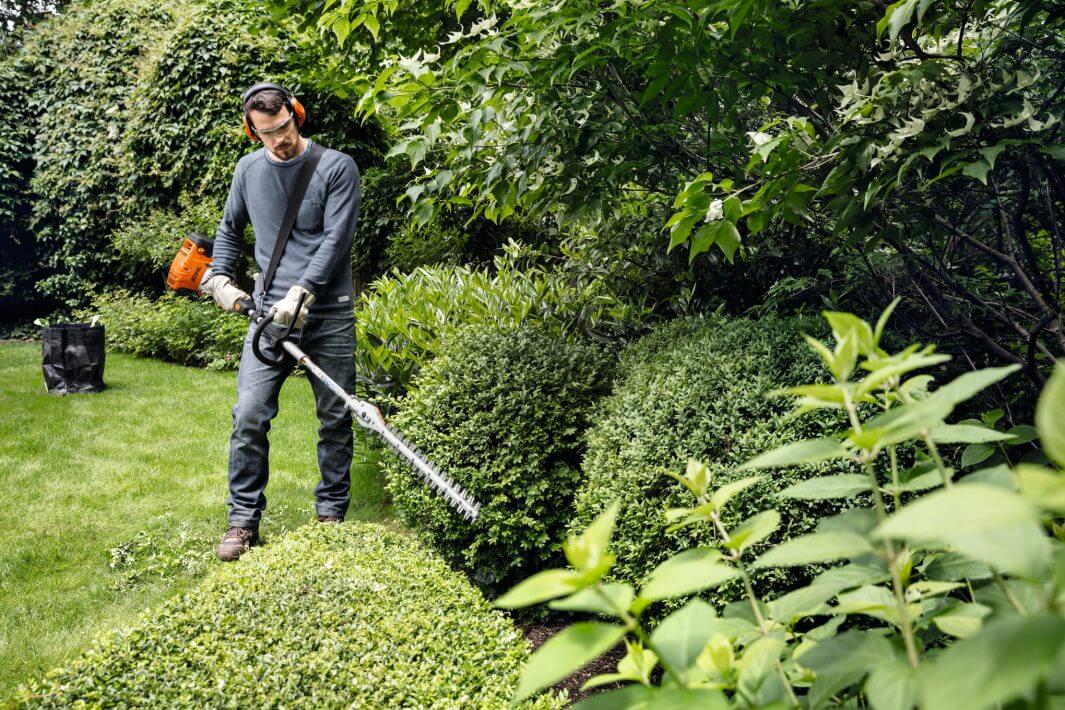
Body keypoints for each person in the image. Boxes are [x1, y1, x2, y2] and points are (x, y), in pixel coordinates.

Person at [201, 82, 362, 561]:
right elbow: (230, 229)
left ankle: (331, 515)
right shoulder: (248, 171)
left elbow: (336, 240)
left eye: (284, 128)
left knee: (334, 417)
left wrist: (304, 290)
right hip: (269, 316)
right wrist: (221, 279)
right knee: (249, 414)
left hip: (327, 311)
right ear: (253, 132)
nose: (279, 141)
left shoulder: (336, 168)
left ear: (298, 116)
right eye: (267, 133)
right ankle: (242, 522)